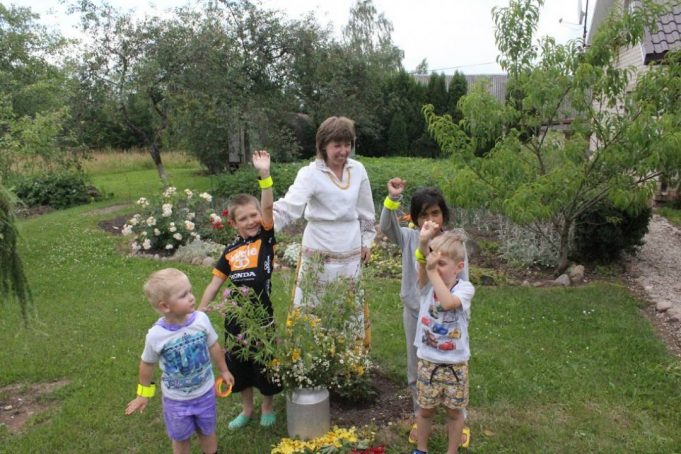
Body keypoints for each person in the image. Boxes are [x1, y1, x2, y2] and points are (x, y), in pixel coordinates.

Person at [379, 178, 470, 446]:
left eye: (435, 213)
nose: (430, 219)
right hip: (416, 314)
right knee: (416, 366)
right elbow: (386, 226)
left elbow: (463, 279)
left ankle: (459, 416)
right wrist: (392, 198)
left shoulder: (453, 244)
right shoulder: (409, 238)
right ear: (415, 219)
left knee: (455, 367)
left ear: (443, 215)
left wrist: (462, 311)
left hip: (448, 317)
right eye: (423, 215)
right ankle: (420, 418)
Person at [273, 116, 376, 344]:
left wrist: (366, 241)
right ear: (323, 146)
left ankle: (348, 359)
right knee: (314, 303)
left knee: (347, 303)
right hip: (319, 246)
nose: (344, 151)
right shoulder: (310, 173)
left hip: (349, 247)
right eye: (337, 145)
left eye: (347, 144)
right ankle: (311, 357)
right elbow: (290, 207)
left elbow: (366, 211)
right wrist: (264, 224)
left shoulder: (358, 170)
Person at [198, 150, 281, 430]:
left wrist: (265, 176)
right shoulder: (230, 251)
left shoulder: (266, 239)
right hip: (235, 317)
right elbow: (215, 283)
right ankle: (247, 409)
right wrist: (200, 312)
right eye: (243, 218)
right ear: (232, 223)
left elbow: (269, 208)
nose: (251, 221)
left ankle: (268, 406)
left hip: (262, 315)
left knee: (265, 361)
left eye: (253, 215)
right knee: (239, 365)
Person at [125, 268, 234, 454]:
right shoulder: (156, 336)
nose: (192, 297)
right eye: (184, 295)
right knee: (180, 438)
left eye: (190, 291)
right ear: (165, 306)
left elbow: (214, 346)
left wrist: (224, 370)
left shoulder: (201, 320)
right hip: (176, 401)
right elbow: (147, 364)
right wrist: (143, 393)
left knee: (207, 432)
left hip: (205, 393)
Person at [411, 229, 475, 454]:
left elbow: (448, 303)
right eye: (433, 261)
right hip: (428, 361)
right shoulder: (427, 284)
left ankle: (452, 451)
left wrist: (432, 272)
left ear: (459, 267)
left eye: (442, 263)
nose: (435, 268)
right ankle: (421, 448)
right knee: (425, 409)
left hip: (455, 364)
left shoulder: (465, 289)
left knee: (455, 412)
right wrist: (423, 242)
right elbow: (422, 263)